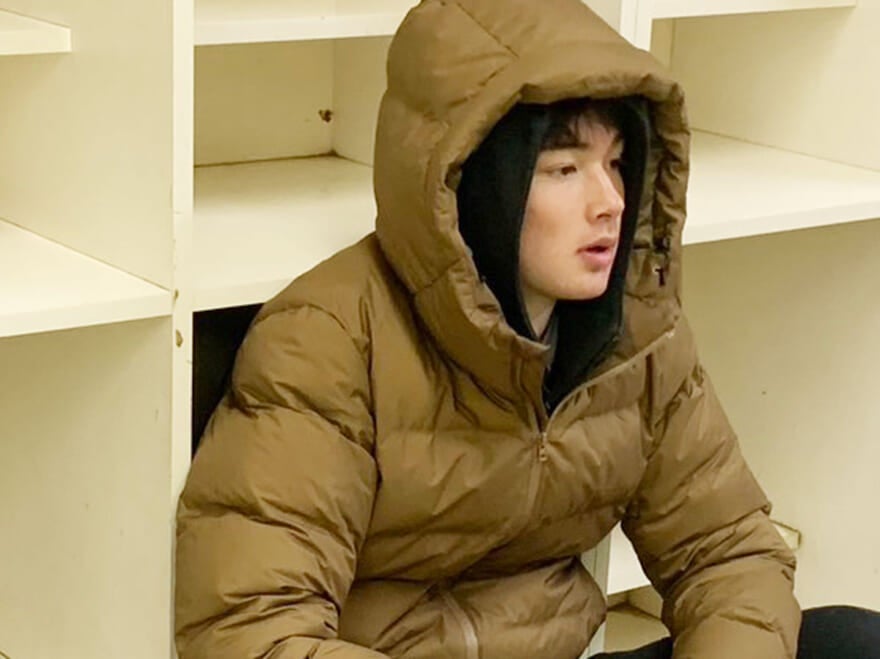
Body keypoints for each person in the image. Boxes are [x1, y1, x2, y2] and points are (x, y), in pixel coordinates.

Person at [174, 0, 880, 657]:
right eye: (564, 169)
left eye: (616, 164)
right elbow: (255, 629)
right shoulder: (330, 338)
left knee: (852, 639)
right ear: (477, 182)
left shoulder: (639, 336)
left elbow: (728, 554)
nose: (610, 201)